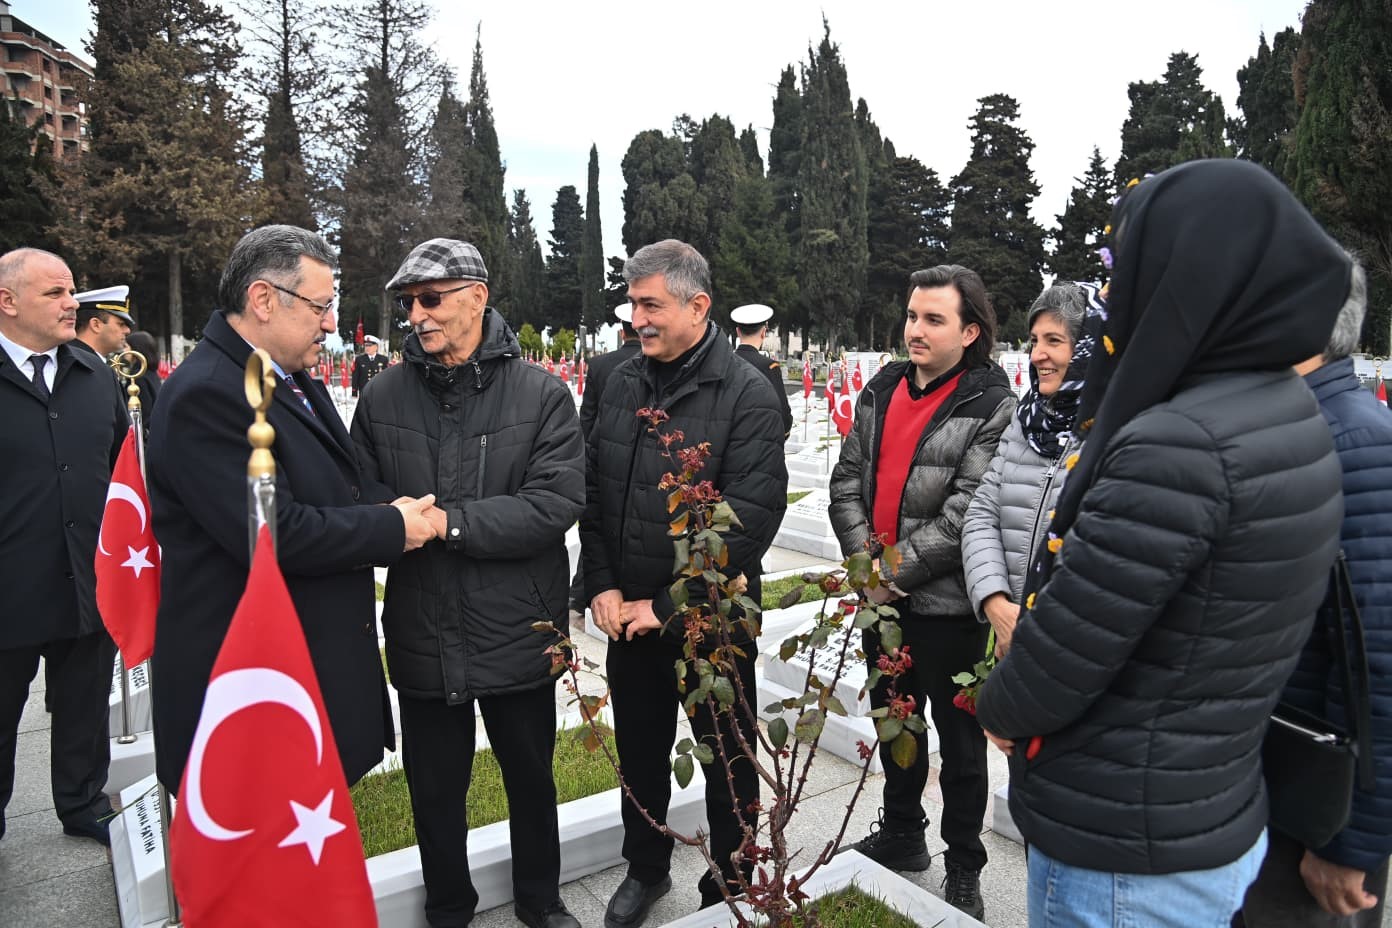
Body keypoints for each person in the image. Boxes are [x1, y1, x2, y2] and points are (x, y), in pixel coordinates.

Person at [975, 159, 1350, 928]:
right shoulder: (1282, 406)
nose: (1115, 299)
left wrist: (998, 706)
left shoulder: (1177, 445)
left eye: (1134, 268)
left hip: (1122, 846)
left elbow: (1068, 650)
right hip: (1202, 803)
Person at [147, 225, 437, 796]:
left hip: (309, 669)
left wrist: (393, 504)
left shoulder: (288, 375)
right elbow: (272, 532)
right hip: (254, 682)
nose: (331, 323)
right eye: (321, 306)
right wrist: (391, 526)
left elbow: (333, 485)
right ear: (262, 300)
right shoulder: (207, 392)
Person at [351, 238, 585, 928]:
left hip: (518, 626)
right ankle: (448, 905)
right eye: (407, 303)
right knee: (435, 790)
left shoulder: (542, 395)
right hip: (424, 625)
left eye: (431, 299)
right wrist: (389, 523)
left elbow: (553, 504)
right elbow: (363, 494)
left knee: (530, 781)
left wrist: (446, 524)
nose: (417, 315)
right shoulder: (383, 393)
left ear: (478, 296)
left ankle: (541, 900)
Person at [581, 239, 787, 927]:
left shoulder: (747, 392)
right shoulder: (613, 379)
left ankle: (730, 879)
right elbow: (595, 493)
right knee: (639, 752)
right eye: (633, 303)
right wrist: (602, 586)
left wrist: (664, 606)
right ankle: (645, 870)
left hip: (710, 622)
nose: (638, 318)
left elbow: (748, 521)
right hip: (625, 616)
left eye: (652, 305)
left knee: (728, 757)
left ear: (698, 307)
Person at [828, 264, 1015, 920]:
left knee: (961, 747)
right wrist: (865, 568)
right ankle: (903, 832)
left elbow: (965, 512)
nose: (916, 329)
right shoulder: (881, 389)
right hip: (882, 603)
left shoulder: (991, 403)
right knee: (895, 721)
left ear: (969, 331)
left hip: (949, 608)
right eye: (912, 315)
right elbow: (846, 478)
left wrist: (888, 575)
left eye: (934, 319)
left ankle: (963, 861)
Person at [1238, 261, 1392, 927]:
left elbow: (1380, 657)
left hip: (1313, 814)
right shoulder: (1298, 426)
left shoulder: (1357, 443)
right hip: (1268, 789)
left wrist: (1349, 842)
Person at [0, 248, 128, 845]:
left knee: (82, 706)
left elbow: (121, 471)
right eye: (54, 293)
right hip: (11, 587)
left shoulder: (91, 372)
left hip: (87, 580)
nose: (71, 303)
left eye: (71, 290)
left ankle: (82, 804)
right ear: (8, 301)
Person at [961, 282, 1100, 658]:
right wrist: (996, 603)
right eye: (1034, 340)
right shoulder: (1026, 421)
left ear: (1091, 348)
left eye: (1054, 340)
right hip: (1009, 637)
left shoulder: (1116, 431)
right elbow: (982, 512)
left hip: (1076, 647)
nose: (1037, 355)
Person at [569, 302, 642, 618]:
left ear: (621, 330)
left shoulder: (600, 366)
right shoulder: (653, 361)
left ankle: (580, 592)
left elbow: (587, 421)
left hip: (606, 459)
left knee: (599, 529)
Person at [730, 303, 793, 437]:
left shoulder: (725, 362)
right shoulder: (769, 367)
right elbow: (782, 413)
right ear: (764, 332)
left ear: (737, 331)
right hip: (759, 437)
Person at [71, 285, 133, 360]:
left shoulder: (86, 361)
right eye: (121, 324)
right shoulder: (77, 363)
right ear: (96, 325)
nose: (127, 330)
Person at [124, 330, 163, 420]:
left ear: (136, 349)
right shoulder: (150, 372)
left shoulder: (137, 376)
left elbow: (144, 412)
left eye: (126, 346)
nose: (124, 351)